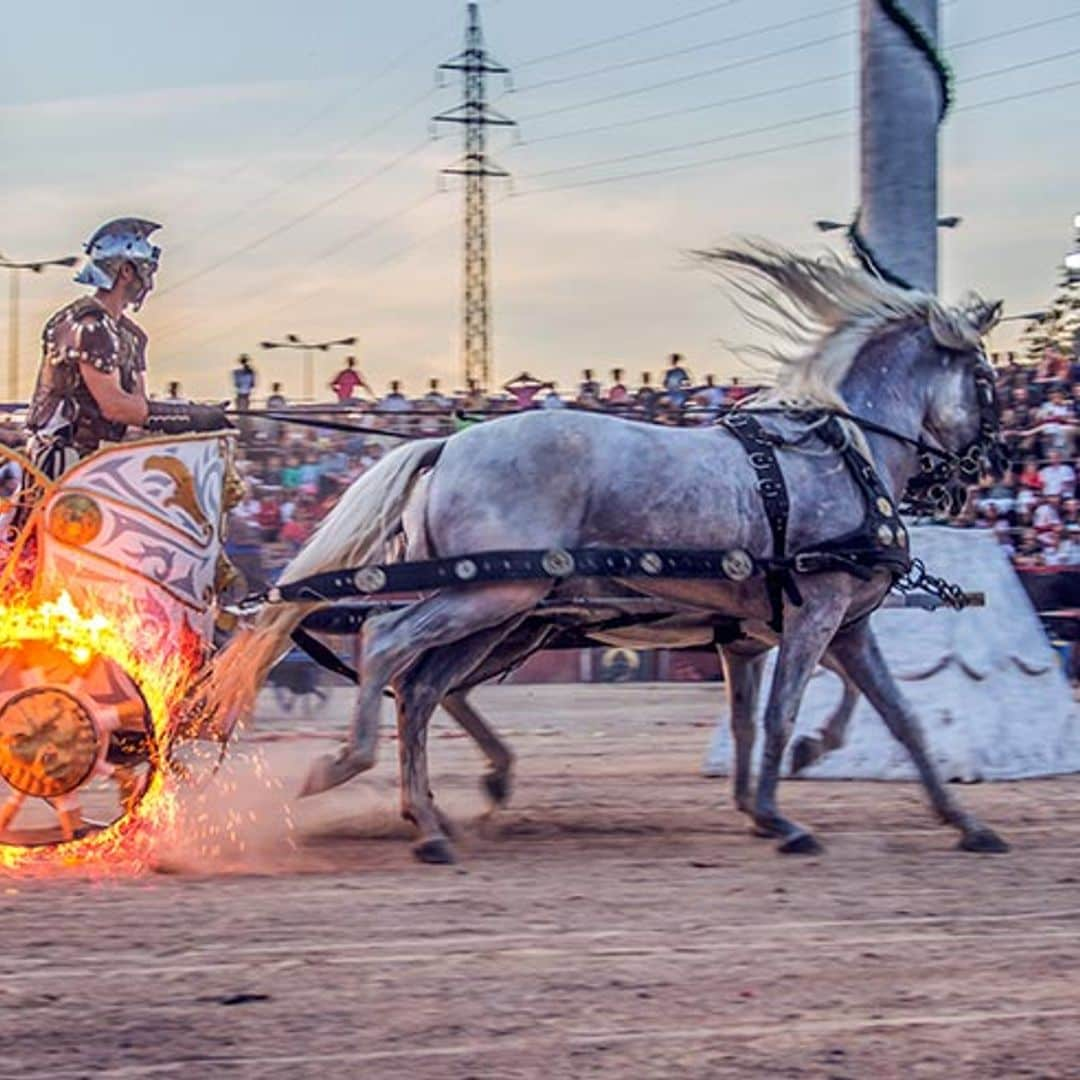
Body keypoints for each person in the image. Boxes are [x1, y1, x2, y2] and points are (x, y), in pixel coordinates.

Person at [25, 218, 229, 483]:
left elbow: (138, 408)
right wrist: (192, 417)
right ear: (126, 271)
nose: (150, 283)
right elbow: (117, 407)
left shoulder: (131, 337)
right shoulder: (87, 324)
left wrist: (194, 412)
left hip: (102, 463)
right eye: (147, 271)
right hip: (61, 464)